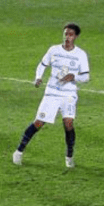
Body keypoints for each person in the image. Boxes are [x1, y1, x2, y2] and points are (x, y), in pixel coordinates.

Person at [12, 24, 90, 168]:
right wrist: (38, 77)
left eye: (71, 35)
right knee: (39, 123)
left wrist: (74, 77)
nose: (67, 37)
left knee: (68, 123)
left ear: (76, 36)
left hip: (69, 94)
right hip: (52, 92)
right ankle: (19, 151)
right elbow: (42, 65)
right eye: (66, 34)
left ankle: (69, 156)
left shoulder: (80, 54)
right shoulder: (54, 50)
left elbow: (86, 76)